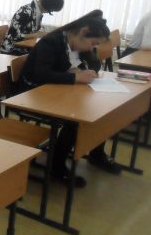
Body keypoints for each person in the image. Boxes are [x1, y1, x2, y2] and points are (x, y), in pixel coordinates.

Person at [19, 10, 117, 187]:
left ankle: (96, 154)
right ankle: (57, 166)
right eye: (93, 43)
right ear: (83, 32)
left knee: (99, 110)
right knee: (75, 119)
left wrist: (88, 70)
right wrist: (74, 76)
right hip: (33, 93)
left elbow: (95, 63)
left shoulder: (80, 44)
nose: (92, 48)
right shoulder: (51, 42)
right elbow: (42, 74)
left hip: (58, 90)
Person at [0, 0, 64, 55]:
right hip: (11, 50)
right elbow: (13, 35)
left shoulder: (38, 13)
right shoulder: (25, 11)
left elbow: (32, 31)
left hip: (24, 49)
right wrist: (36, 35)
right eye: (52, 9)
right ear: (49, 5)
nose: (51, 12)